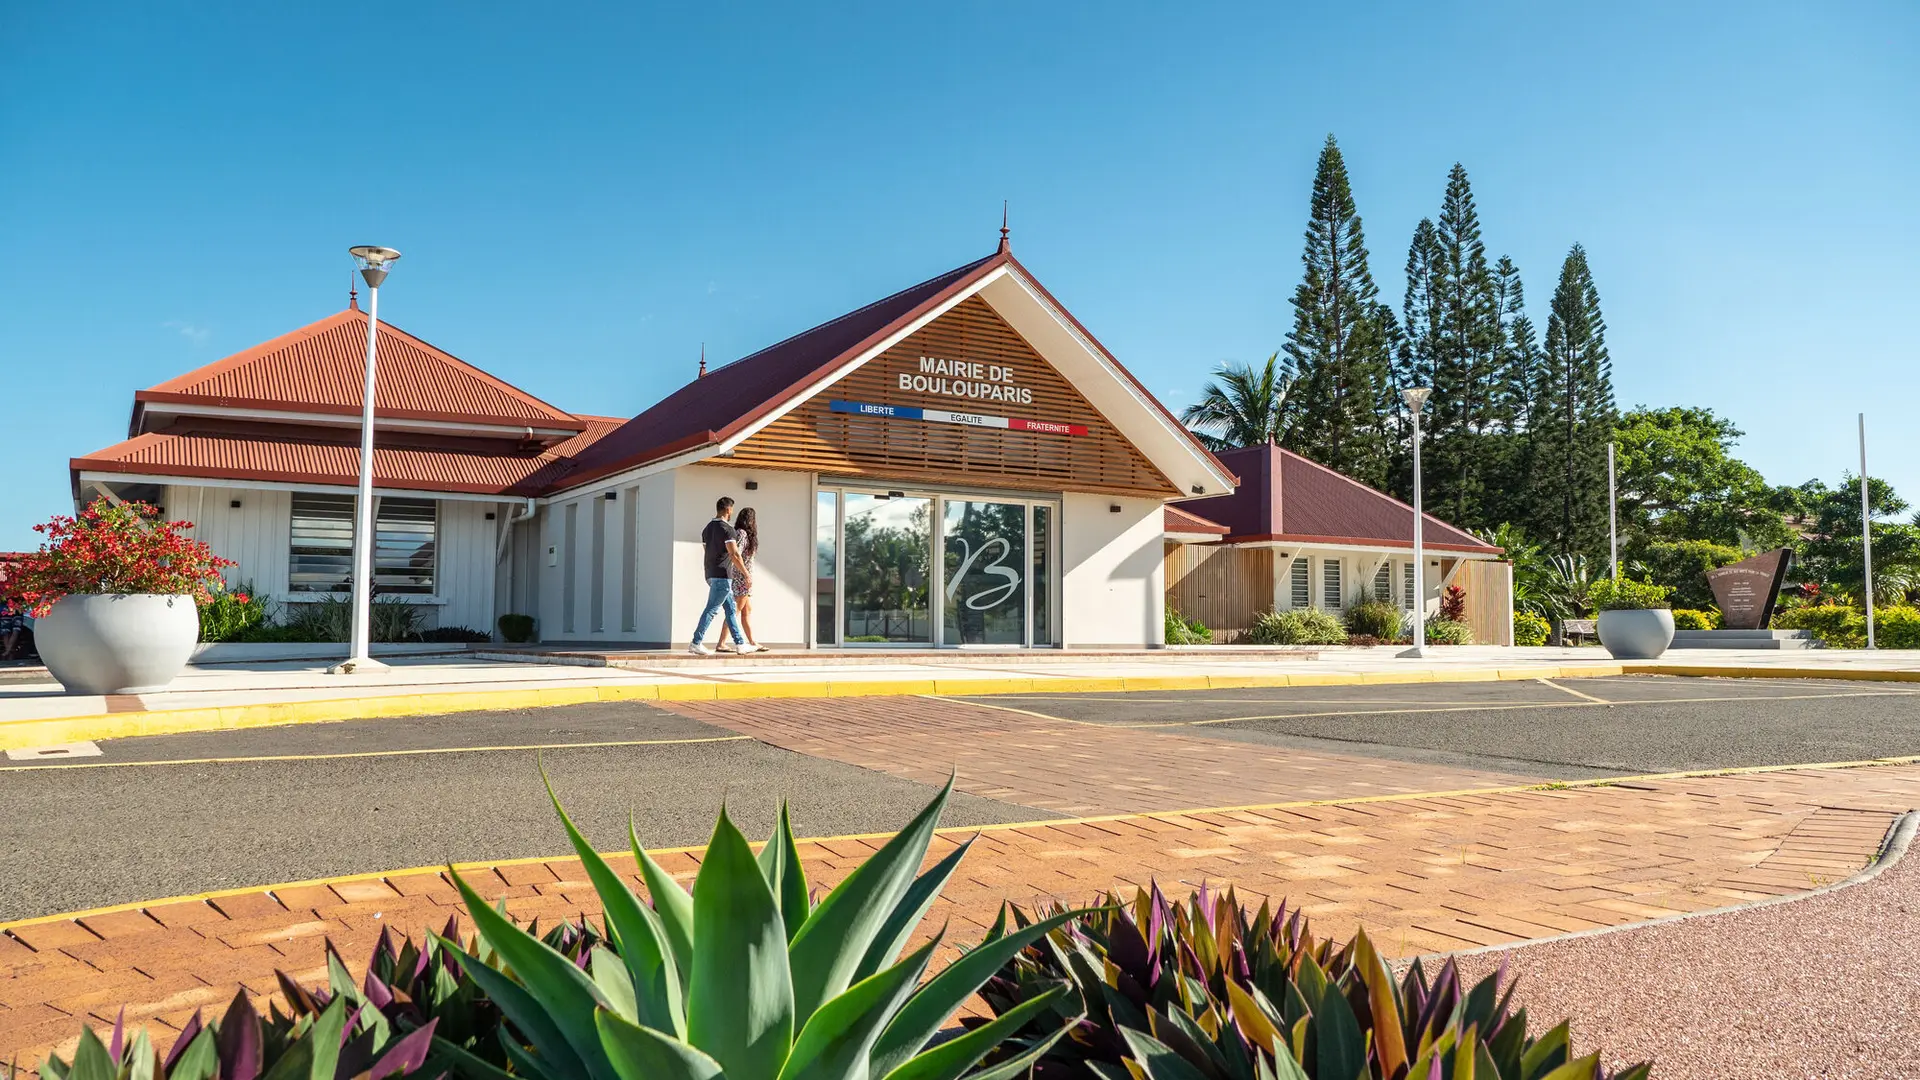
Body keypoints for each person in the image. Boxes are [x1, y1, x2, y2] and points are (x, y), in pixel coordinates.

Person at [689, 496, 762, 655]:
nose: (732, 513)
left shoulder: (707, 529)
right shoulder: (727, 529)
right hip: (722, 575)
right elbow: (735, 554)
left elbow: (707, 552)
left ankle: (740, 644)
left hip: (710, 573)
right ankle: (696, 642)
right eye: (732, 510)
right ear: (728, 509)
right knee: (712, 609)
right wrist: (746, 574)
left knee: (730, 610)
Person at [717, 506, 762, 652]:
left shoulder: (741, 533)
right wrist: (745, 575)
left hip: (743, 576)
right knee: (734, 611)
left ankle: (752, 641)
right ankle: (721, 643)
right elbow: (737, 555)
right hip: (742, 577)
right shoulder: (741, 534)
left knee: (746, 610)